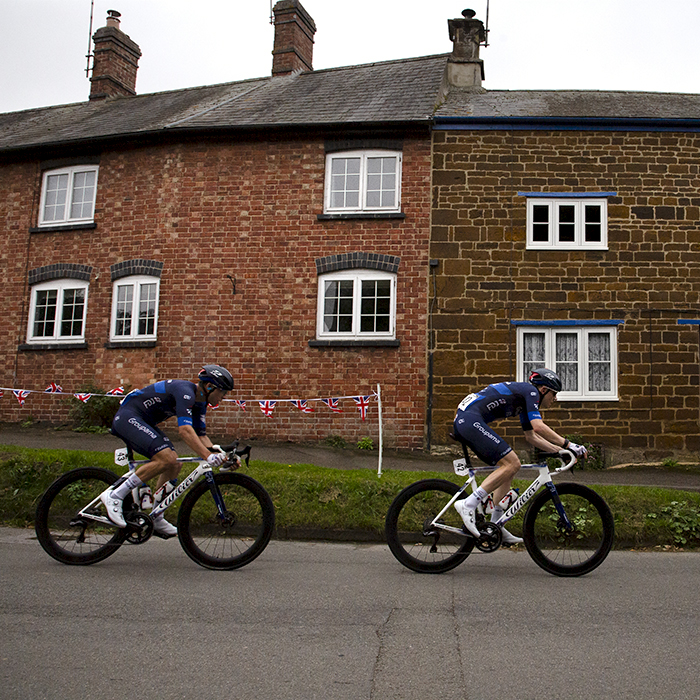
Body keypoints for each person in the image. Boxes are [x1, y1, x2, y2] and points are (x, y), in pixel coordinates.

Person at [452, 368, 587, 545]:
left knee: (509, 468)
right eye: (554, 394)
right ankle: (468, 504)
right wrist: (569, 445)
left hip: (468, 420)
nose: (555, 399)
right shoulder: (530, 391)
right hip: (469, 421)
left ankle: (495, 525)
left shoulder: (524, 400)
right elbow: (538, 426)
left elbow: (531, 436)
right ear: (544, 390)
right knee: (512, 463)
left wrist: (559, 452)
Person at [101, 364, 236, 538]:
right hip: (129, 417)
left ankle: (156, 516)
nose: (224, 397)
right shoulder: (185, 391)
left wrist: (222, 456)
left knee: (175, 464)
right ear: (210, 387)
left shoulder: (200, 403)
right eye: (223, 392)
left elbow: (201, 437)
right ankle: (115, 495)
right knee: (166, 458)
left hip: (144, 422)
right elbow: (185, 431)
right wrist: (208, 456)